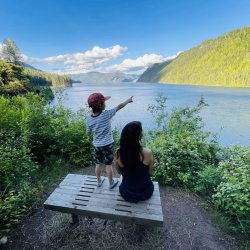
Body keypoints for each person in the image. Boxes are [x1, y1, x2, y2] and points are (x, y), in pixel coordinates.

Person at [86, 92, 133, 189]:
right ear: (100, 105)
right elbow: (119, 107)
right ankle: (111, 183)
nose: (105, 103)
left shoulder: (88, 119)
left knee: (97, 164)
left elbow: (88, 133)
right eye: (104, 102)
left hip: (97, 145)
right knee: (108, 165)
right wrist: (128, 101)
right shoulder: (106, 114)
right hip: (107, 145)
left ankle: (98, 182)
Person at [115, 121, 154, 202]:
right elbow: (150, 173)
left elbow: (119, 172)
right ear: (139, 136)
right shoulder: (148, 153)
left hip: (127, 193)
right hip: (145, 192)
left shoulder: (118, 153)